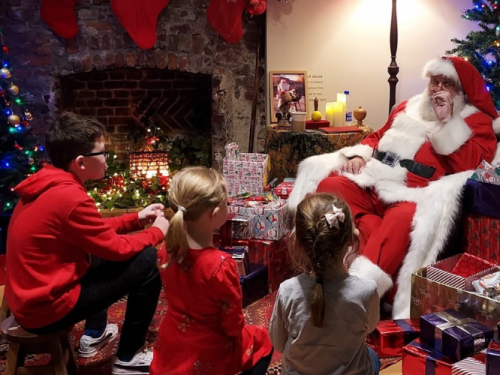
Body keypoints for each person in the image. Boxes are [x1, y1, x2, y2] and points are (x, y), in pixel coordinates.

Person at [288, 57, 500, 318]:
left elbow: (474, 164)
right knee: (331, 185)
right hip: (373, 182)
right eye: (435, 82)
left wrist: (447, 123)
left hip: (411, 194)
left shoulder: (475, 121)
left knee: (402, 218)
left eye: (447, 84)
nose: (438, 89)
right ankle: (333, 268)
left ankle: (360, 291)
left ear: (462, 91)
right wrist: (358, 155)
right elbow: (376, 137)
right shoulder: (408, 107)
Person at [5, 112, 170, 375]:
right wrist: (158, 232)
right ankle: (128, 357)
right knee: (148, 261)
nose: (107, 159)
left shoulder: (50, 181)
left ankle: (95, 333)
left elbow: (92, 232)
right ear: (81, 162)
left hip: (30, 295)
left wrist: (136, 219)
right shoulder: (70, 197)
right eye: (103, 153)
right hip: (44, 308)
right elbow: (115, 249)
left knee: (95, 254)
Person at [150, 166, 273, 375]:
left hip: (171, 340)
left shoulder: (166, 249)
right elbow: (233, 324)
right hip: (208, 351)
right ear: (216, 214)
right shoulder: (220, 265)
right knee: (264, 340)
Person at [269, 193, 381, 375]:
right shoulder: (366, 290)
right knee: (372, 356)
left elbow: (278, 343)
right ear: (352, 240)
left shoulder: (287, 290)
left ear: (297, 243)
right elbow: (370, 327)